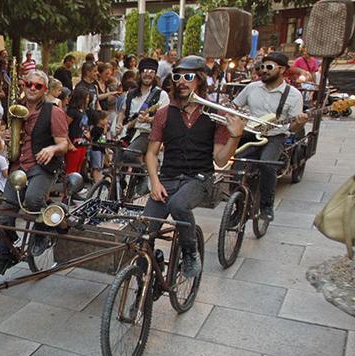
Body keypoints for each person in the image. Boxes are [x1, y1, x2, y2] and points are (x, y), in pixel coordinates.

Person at [144, 56, 245, 278]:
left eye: (188, 77)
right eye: (177, 76)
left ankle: (191, 252)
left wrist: (234, 138)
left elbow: (219, 160)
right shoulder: (164, 113)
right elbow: (151, 154)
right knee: (143, 232)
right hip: (168, 178)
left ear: (199, 80)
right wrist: (155, 182)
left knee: (179, 205)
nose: (181, 81)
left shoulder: (213, 114)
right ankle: (146, 280)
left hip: (199, 178)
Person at [0, 69, 69, 270]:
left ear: (45, 89)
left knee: (33, 199)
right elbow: (10, 135)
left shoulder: (54, 111)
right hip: (18, 165)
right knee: (4, 210)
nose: (32, 88)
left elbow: (64, 144)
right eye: (28, 84)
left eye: (38, 86)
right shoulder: (16, 108)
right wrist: (6, 136)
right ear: (23, 85)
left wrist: (52, 148)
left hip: (42, 166)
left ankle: (42, 234)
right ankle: (7, 252)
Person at [232, 52, 309, 221]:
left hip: (275, 136)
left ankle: (266, 206)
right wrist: (237, 117)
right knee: (236, 165)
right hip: (251, 133)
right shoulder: (252, 88)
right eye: (262, 67)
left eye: (269, 67)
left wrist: (300, 122)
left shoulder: (293, 95)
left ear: (282, 70)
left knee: (267, 165)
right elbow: (235, 105)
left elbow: (294, 127)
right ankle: (237, 207)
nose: (264, 71)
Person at [117, 57, 169, 162]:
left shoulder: (160, 95)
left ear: (155, 75)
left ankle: (145, 172)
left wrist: (148, 120)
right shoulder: (131, 94)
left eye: (151, 72)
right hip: (128, 132)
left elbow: (165, 119)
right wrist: (119, 124)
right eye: (145, 71)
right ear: (140, 74)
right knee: (116, 160)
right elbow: (123, 112)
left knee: (130, 154)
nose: (148, 74)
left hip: (147, 133)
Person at [65, 88, 91, 175]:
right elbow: (64, 127)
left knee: (78, 167)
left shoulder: (83, 111)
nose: (88, 100)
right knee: (71, 168)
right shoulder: (72, 111)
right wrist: (69, 143)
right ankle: (68, 187)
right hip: (74, 142)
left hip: (82, 142)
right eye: (86, 98)